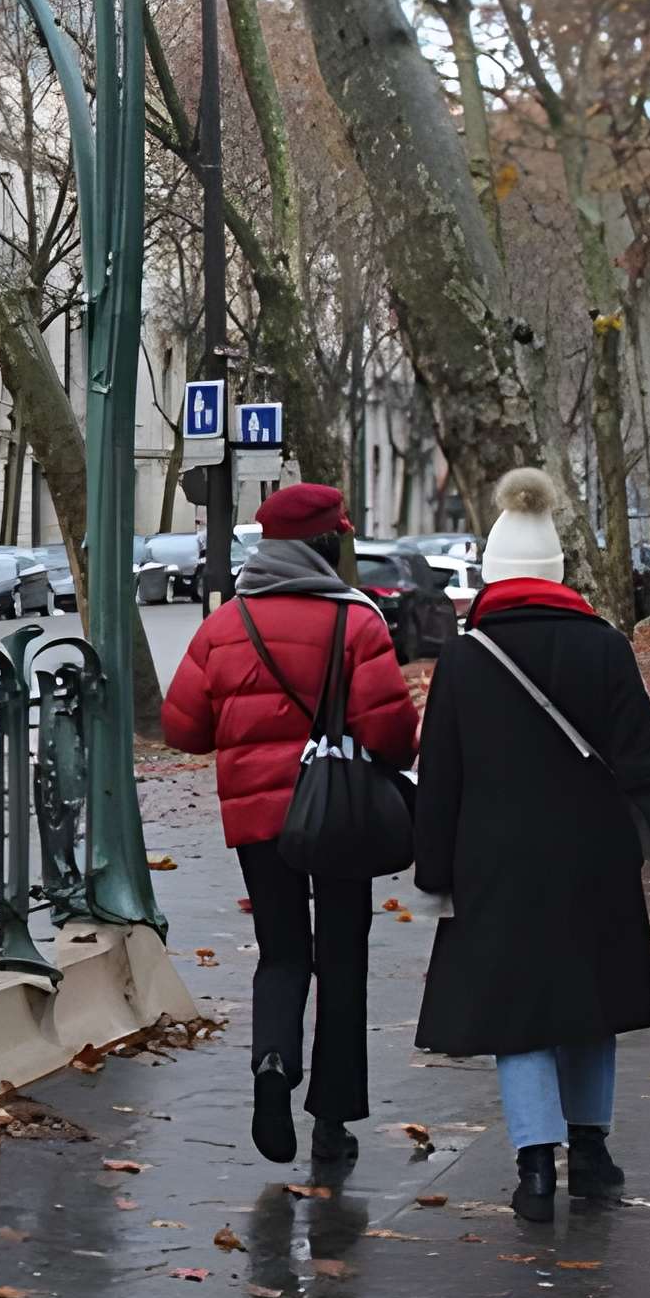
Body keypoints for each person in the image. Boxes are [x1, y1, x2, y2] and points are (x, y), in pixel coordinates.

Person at [414, 468, 650, 1223]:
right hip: (594, 858)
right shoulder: (607, 648)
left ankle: (533, 1168)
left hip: (496, 865)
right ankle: (592, 1153)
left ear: (491, 573)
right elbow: (644, 762)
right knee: (591, 1003)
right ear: (559, 573)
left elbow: (440, 779)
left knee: (518, 1015)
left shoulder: (464, 659)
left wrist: (434, 875)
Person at [162, 481, 419, 1168]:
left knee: (280, 951)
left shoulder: (224, 626)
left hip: (258, 819)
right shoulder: (356, 621)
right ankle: (332, 1119)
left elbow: (182, 729)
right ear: (327, 544)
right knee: (342, 957)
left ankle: (272, 1067)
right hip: (341, 815)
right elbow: (393, 732)